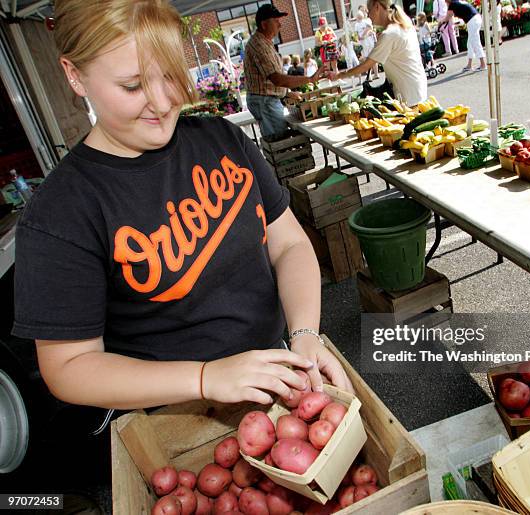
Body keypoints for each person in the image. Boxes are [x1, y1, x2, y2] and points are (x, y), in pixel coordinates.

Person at [13, 0, 353, 471]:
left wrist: (305, 334)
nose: (163, 100)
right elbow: (69, 370)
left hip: (280, 382)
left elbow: (290, 243)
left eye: (171, 74)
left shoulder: (224, 140)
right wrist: (204, 378)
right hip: (176, 422)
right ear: (74, 76)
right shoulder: (62, 214)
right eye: (132, 85)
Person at [244, 4, 324, 138]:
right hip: (265, 102)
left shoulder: (264, 42)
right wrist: (310, 79)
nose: (279, 25)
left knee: (282, 142)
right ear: (264, 24)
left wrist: (287, 93)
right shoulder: (259, 45)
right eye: (276, 21)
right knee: (281, 143)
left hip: (267, 100)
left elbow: (269, 80)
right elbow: (277, 79)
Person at [327, 0, 427, 106]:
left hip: (408, 96)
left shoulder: (389, 34)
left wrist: (339, 75)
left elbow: (365, 66)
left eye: (369, 11)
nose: (368, 15)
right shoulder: (404, 26)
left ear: (377, 7)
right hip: (417, 88)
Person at [444, 0, 486, 71]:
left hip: (472, 20)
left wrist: (441, 22)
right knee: (470, 43)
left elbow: (447, 17)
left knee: (475, 42)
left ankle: (483, 64)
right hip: (475, 18)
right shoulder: (458, 1)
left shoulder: (453, 4)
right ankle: (470, 64)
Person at [354, 10, 379, 79]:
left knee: (368, 59)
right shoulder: (357, 24)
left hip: (368, 42)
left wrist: (363, 36)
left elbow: (370, 28)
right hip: (364, 43)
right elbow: (357, 34)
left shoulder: (366, 21)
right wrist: (359, 37)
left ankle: (372, 75)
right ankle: (372, 75)